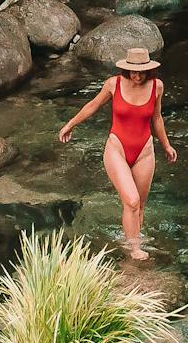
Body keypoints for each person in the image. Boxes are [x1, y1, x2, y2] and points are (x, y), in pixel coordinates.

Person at [58, 46, 174, 260]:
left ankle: (131, 242)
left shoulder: (157, 86)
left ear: (148, 70)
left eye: (141, 72)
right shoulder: (114, 84)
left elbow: (157, 118)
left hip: (145, 151)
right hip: (117, 148)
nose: (137, 76)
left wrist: (166, 145)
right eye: (133, 72)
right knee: (131, 201)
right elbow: (93, 105)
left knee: (139, 206)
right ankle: (134, 249)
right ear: (126, 69)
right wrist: (70, 124)